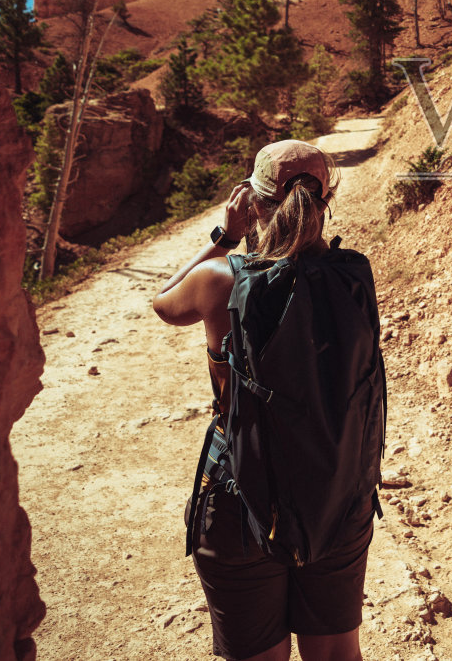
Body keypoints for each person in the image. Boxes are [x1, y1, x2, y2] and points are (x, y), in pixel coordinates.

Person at [153, 139, 374, 661]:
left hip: (240, 503)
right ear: (326, 200)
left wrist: (224, 236)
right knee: (339, 653)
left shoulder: (220, 279)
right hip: (337, 496)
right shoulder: (355, 275)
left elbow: (164, 303)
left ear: (252, 202)